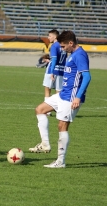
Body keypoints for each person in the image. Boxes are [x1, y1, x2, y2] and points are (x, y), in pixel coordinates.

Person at [29, 30, 91, 168]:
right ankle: (45, 143)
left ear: (71, 43)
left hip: (71, 98)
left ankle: (60, 161)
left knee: (62, 126)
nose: (62, 49)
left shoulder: (80, 55)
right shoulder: (72, 54)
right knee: (40, 109)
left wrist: (78, 97)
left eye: (63, 46)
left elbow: (87, 77)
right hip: (63, 94)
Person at [42, 29, 67, 116]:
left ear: (55, 36)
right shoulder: (63, 45)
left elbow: (55, 59)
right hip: (61, 70)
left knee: (47, 89)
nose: (48, 38)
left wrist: (52, 71)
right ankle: (59, 110)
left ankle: (47, 110)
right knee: (58, 91)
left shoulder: (54, 46)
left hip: (52, 70)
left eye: (50, 36)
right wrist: (50, 61)